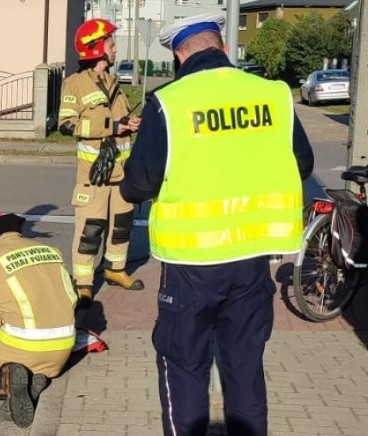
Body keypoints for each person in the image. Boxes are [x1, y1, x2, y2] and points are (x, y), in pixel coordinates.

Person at [119, 14, 314, 436]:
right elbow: (303, 163)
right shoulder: (274, 95)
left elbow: (137, 186)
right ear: (224, 48)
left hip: (191, 264)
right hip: (252, 261)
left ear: (178, 54)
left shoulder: (169, 102)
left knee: (184, 366)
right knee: (244, 368)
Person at [58, 18, 144, 309]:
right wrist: (112, 125)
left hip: (120, 172)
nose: (115, 48)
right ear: (95, 48)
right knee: (90, 230)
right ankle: (83, 284)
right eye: (111, 43)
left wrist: (131, 125)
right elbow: (67, 125)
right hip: (93, 175)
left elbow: (118, 123)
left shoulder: (113, 82)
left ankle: (115, 270)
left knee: (122, 225)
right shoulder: (75, 84)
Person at [0, 212, 78, 428]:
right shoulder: (53, 252)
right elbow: (73, 300)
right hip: (63, 347)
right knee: (39, 363)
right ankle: (37, 380)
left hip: (20, 344)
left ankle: (4, 381)